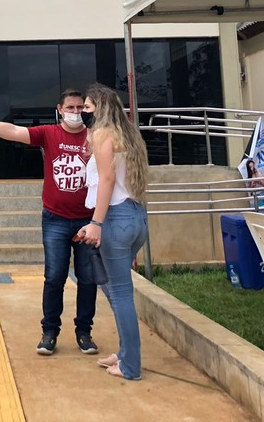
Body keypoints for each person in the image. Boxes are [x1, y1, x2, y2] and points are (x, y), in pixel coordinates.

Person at [0, 89, 98, 356]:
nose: (76, 113)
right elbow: (12, 131)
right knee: (54, 277)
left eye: (81, 108)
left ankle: (84, 332)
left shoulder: (95, 136)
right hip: (55, 219)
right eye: (71, 107)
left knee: (88, 279)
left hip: (86, 220)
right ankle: (49, 332)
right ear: (60, 109)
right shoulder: (49, 133)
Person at [75, 84, 149, 380]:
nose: (82, 113)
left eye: (87, 108)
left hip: (115, 220)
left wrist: (97, 222)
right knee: (112, 288)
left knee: (119, 293)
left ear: (100, 109)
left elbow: (106, 179)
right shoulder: (127, 135)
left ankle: (131, 367)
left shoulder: (103, 134)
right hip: (135, 217)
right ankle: (125, 353)